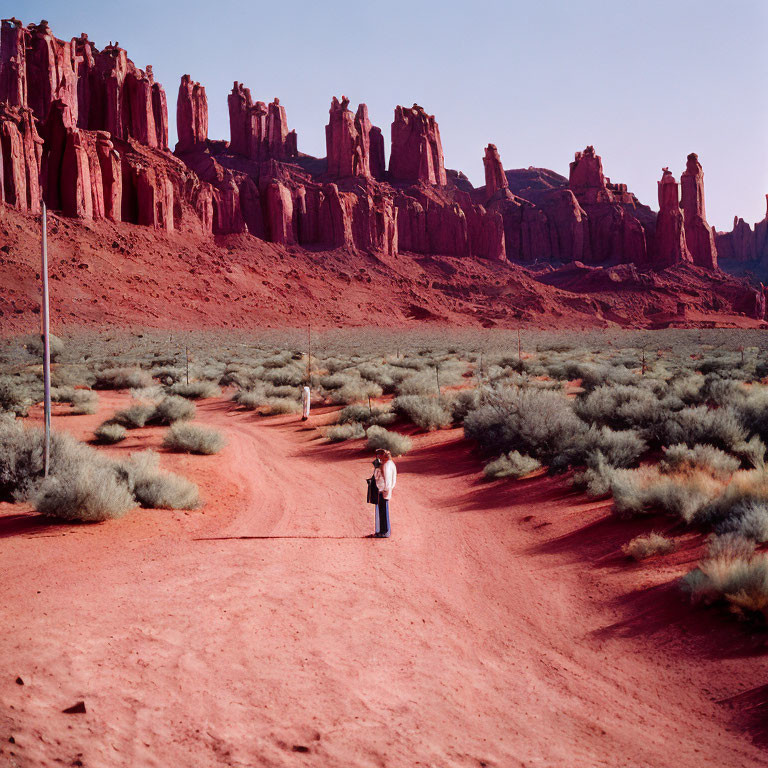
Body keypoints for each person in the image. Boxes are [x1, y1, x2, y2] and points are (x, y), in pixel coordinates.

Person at [373, 448, 397, 538]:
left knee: (383, 512)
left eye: (379, 455)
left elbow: (386, 478)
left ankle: (385, 532)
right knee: (382, 511)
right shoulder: (390, 464)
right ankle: (383, 531)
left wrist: (386, 489)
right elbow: (393, 479)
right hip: (384, 490)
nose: (378, 457)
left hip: (383, 490)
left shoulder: (386, 465)